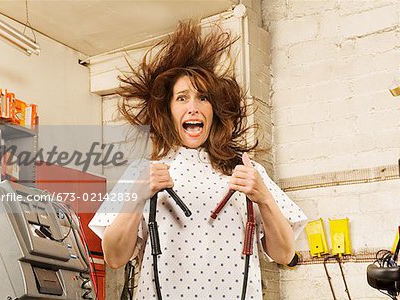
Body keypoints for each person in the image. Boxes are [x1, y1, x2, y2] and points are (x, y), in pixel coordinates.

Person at [89, 20, 307, 300]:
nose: (193, 107)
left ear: (214, 109)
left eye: (203, 98)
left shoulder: (248, 172)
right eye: (182, 98)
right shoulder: (144, 171)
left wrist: (263, 197)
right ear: (168, 111)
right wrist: (135, 197)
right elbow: (115, 258)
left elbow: (284, 253)